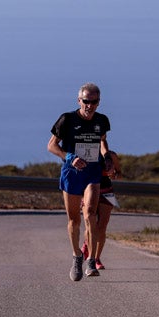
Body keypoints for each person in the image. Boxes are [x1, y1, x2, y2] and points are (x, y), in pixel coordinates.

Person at [48, 82, 111, 281]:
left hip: (93, 172)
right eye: (86, 101)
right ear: (79, 101)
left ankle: (91, 260)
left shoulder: (101, 121)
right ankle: (77, 255)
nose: (89, 105)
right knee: (74, 220)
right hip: (72, 174)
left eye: (93, 102)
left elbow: (102, 141)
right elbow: (51, 146)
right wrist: (69, 157)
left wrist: (107, 156)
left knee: (91, 213)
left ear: (98, 103)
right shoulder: (66, 119)